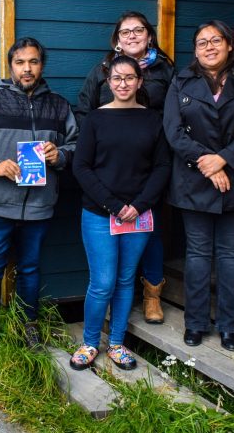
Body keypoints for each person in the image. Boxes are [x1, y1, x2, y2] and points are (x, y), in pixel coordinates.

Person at [0, 37, 78, 371]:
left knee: (30, 269)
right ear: (10, 65)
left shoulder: (58, 105)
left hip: (39, 205)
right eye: (20, 62)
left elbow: (76, 144)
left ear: (42, 65)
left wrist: (60, 155)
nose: (27, 68)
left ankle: (28, 327)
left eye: (34, 62)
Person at [164, 20, 234, 351]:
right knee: (196, 254)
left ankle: (229, 326)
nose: (209, 46)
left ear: (229, 44)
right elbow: (173, 131)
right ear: (194, 50)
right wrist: (208, 165)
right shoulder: (181, 81)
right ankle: (195, 324)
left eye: (215, 40)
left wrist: (224, 159)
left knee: (229, 254)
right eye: (201, 42)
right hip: (194, 181)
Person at [69, 56, 171, 370]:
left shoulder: (153, 120)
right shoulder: (96, 120)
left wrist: (138, 205)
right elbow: (81, 167)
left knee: (126, 280)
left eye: (129, 78)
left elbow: (162, 167)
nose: (123, 84)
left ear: (140, 82)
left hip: (139, 215)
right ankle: (89, 343)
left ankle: (116, 343)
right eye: (117, 78)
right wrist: (114, 205)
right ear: (108, 82)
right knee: (102, 282)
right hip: (100, 214)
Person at [75, 11, 174, 324]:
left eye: (139, 30)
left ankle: (151, 295)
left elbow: (175, 113)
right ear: (117, 39)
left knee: (152, 234)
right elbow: (83, 112)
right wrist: (93, 142)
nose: (132, 35)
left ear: (149, 35)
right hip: (109, 172)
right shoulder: (101, 72)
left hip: (149, 167)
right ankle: (107, 312)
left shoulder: (165, 70)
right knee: (105, 268)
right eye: (125, 31)